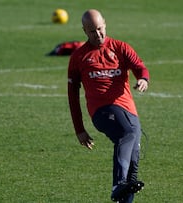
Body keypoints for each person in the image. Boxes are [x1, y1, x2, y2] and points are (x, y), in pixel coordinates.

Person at [67, 9, 150, 203]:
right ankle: (117, 184)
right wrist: (79, 129)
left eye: (100, 29)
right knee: (127, 134)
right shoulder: (79, 57)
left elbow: (140, 67)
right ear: (84, 31)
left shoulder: (120, 48)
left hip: (128, 110)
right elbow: (72, 95)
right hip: (102, 111)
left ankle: (124, 190)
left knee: (134, 161)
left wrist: (143, 79)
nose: (98, 35)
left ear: (105, 23)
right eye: (92, 31)